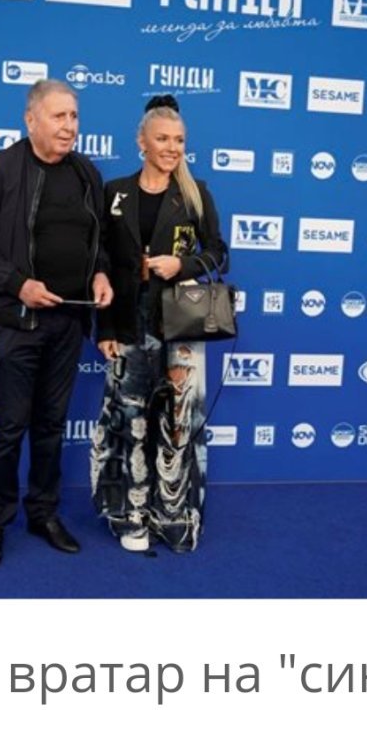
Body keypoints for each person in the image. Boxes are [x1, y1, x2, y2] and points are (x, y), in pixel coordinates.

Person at [0, 81, 113, 569]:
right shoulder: (0, 170)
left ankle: (43, 513)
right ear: (30, 120)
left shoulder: (87, 173)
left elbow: (99, 243)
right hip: (17, 323)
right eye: (59, 116)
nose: (69, 126)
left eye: (74, 116)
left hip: (68, 323)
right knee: (9, 426)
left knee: (50, 426)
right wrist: (18, 284)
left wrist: (101, 271)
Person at [91, 95, 227, 554]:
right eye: (163, 139)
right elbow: (101, 263)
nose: (172, 148)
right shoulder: (115, 192)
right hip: (127, 323)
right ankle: (129, 514)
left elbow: (219, 254)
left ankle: (173, 515)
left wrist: (181, 265)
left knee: (176, 423)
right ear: (142, 142)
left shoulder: (195, 193)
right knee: (129, 422)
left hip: (180, 326)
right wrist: (105, 329)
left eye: (180, 140)